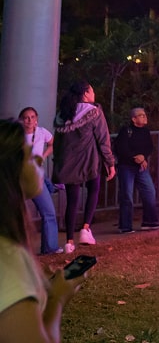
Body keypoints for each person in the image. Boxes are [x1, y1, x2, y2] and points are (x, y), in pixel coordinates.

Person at [0, 118, 89, 343]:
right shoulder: (7, 260)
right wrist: (57, 299)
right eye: (29, 155)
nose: (39, 157)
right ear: (10, 171)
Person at [52, 83, 115, 254]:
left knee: (72, 201)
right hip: (89, 161)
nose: (94, 93)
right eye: (92, 90)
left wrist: (57, 162)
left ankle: (69, 242)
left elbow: (57, 143)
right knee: (93, 190)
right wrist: (110, 162)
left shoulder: (63, 114)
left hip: (69, 162)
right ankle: (86, 229)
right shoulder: (94, 111)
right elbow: (103, 139)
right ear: (86, 94)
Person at [17, 108, 60, 255]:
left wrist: (43, 155)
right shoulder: (16, 135)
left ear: (36, 119)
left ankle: (50, 248)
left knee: (48, 212)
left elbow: (52, 143)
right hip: (19, 178)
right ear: (21, 120)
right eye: (26, 118)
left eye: (32, 117)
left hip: (36, 177)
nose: (29, 120)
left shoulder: (42, 132)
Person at [114, 107, 159, 234]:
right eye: (141, 115)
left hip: (141, 167)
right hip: (127, 167)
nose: (144, 117)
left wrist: (143, 157)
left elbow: (149, 147)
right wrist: (136, 157)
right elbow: (121, 148)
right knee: (127, 196)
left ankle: (150, 221)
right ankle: (125, 226)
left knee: (149, 191)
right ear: (134, 119)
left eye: (144, 115)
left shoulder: (145, 131)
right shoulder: (126, 131)